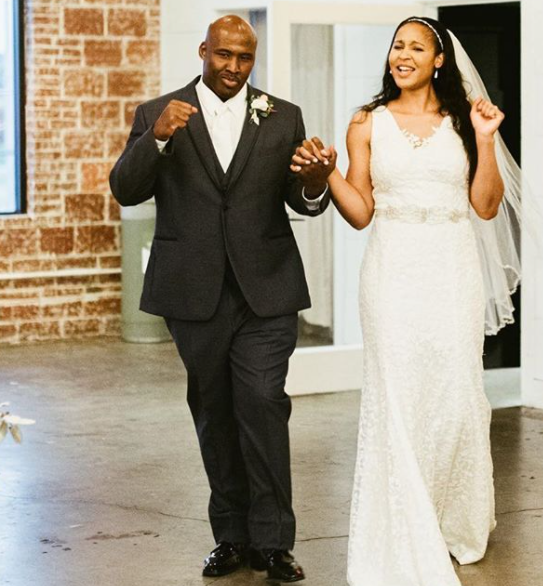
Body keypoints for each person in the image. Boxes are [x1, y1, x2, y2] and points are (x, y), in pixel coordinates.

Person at [291, 16, 524, 586]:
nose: (403, 55)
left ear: (438, 60)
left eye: (417, 47)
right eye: (397, 45)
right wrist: (326, 177)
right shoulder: (366, 123)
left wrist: (487, 140)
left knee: (455, 392)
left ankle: (452, 521)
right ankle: (401, 525)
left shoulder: (464, 123)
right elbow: (360, 211)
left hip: (452, 268)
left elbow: (487, 207)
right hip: (392, 268)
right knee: (396, 393)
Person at [109, 15, 332, 582]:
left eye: (245, 58)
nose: (234, 67)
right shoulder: (158, 112)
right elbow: (125, 190)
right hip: (194, 292)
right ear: (203, 50)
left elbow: (303, 200)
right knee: (214, 412)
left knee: (262, 402)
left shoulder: (284, 117)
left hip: (268, 289)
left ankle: (274, 542)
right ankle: (230, 537)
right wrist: (158, 137)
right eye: (224, 55)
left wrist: (315, 181)